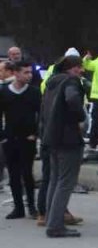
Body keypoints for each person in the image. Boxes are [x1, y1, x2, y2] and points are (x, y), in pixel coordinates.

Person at [40, 55, 89, 238]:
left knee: (55, 179)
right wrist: (80, 117)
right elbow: (72, 100)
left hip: (51, 137)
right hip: (68, 138)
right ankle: (55, 225)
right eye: (79, 67)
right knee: (65, 182)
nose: (81, 70)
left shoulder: (52, 82)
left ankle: (51, 219)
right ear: (71, 68)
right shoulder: (71, 81)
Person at [1, 60, 41, 219]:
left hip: (28, 138)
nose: (29, 75)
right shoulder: (4, 92)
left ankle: (32, 207)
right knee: (13, 174)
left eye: (30, 72)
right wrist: (2, 135)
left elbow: (41, 115)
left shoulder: (34, 92)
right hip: (10, 139)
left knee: (27, 174)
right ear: (15, 73)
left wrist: (35, 133)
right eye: (25, 72)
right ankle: (18, 208)